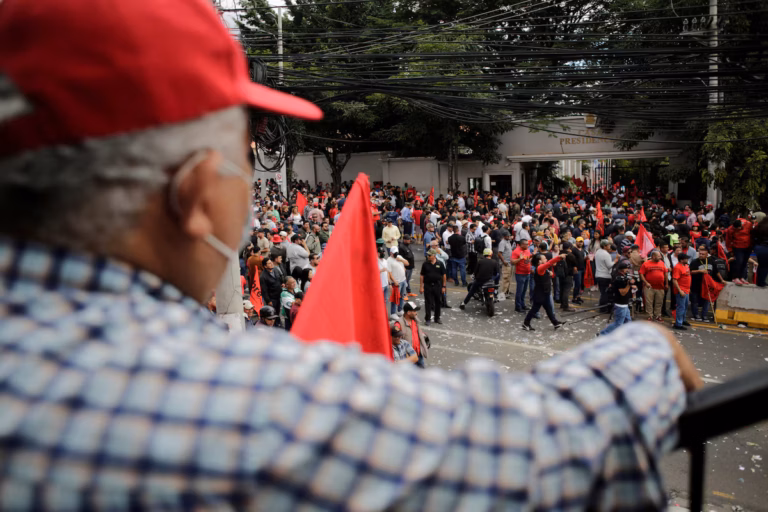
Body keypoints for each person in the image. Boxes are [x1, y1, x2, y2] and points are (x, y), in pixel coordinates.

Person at [0, 0, 706, 507]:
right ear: (194, 196)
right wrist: (643, 351)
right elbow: (545, 448)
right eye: (245, 159)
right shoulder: (237, 405)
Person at [523, 253, 566, 331]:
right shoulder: (540, 268)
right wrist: (559, 257)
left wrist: (550, 274)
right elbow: (549, 263)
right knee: (534, 309)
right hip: (540, 294)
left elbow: (548, 273)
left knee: (548, 309)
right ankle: (526, 323)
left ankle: (555, 323)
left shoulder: (543, 269)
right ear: (539, 261)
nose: (546, 260)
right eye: (544, 258)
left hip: (545, 292)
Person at [599, 261, 633, 335]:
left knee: (628, 322)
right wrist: (629, 285)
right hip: (621, 305)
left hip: (625, 304)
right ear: (622, 270)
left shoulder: (624, 277)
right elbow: (623, 292)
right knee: (618, 324)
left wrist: (632, 285)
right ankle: (603, 334)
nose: (628, 270)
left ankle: (626, 335)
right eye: (626, 269)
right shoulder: (619, 279)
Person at [639, 249, 668, 322]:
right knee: (649, 302)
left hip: (660, 286)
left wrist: (666, 283)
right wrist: (646, 283)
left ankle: (658, 315)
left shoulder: (662, 263)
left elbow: (665, 273)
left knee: (659, 302)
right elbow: (641, 274)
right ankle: (650, 316)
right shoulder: (646, 264)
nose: (660, 258)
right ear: (653, 256)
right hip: (649, 287)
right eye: (658, 256)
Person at [420, 249, 447, 325]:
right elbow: (422, 275)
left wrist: (443, 286)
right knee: (428, 302)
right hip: (427, 285)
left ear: (434, 256)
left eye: (429, 255)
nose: (428, 256)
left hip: (437, 285)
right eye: (428, 255)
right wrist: (421, 287)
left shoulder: (440, 264)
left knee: (438, 302)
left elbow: (444, 275)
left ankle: (437, 318)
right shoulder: (425, 264)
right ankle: (427, 319)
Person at [400, 302, 429, 368]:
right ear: (408, 312)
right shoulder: (399, 324)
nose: (416, 313)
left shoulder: (415, 320)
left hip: (419, 354)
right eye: (414, 311)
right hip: (409, 357)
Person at [672, 254, 694, 330]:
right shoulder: (677, 267)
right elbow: (675, 280)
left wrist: (688, 288)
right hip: (681, 290)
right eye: (686, 259)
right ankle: (678, 324)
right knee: (681, 307)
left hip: (686, 290)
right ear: (681, 260)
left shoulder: (686, 266)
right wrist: (680, 290)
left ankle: (683, 320)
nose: (687, 260)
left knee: (685, 307)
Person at [511, 239, 532, 312]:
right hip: (520, 274)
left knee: (524, 291)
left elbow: (528, 259)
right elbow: (512, 262)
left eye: (527, 244)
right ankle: (518, 306)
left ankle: (523, 304)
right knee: (520, 291)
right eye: (526, 244)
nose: (527, 245)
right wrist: (519, 259)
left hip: (527, 273)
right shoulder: (516, 251)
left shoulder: (527, 250)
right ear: (521, 244)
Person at [387, 247, 409, 316]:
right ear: (391, 253)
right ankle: (393, 313)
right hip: (397, 282)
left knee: (402, 296)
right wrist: (394, 281)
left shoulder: (399, 257)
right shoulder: (389, 260)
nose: (396, 254)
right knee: (395, 298)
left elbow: (407, 263)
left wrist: (401, 260)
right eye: (394, 253)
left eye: (396, 252)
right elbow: (389, 273)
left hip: (403, 280)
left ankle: (400, 310)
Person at [595, 239, 615, 313]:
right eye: (608, 245)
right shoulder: (606, 254)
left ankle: (602, 307)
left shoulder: (598, 252)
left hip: (598, 275)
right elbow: (609, 265)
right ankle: (603, 309)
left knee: (603, 292)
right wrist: (615, 261)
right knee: (605, 293)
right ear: (604, 246)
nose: (610, 246)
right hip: (605, 276)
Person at [558, 242, 578, 312]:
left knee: (562, 289)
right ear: (569, 247)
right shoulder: (570, 255)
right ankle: (565, 306)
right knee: (566, 290)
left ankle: (562, 304)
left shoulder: (560, 253)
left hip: (560, 274)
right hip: (568, 274)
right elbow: (575, 264)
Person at [497, 230, 514, 300]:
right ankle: (503, 293)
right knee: (506, 279)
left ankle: (507, 291)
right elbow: (499, 253)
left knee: (509, 279)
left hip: (510, 262)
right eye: (507, 236)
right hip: (506, 263)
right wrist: (503, 261)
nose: (509, 237)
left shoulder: (508, 241)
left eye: (509, 236)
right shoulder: (502, 243)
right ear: (504, 236)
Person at [572, 236, 588, 304]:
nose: (580, 243)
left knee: (581, 284)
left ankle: (578, 297)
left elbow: (582, 259)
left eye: (581, 242)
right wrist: (574, 266)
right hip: (577, 269)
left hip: (582, 268)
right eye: (579, 242)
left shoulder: (583, 250)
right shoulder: (574, 250)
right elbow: (572, 259)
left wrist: (586, 258)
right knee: (577, 284)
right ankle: (574, 297)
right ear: (576, 242)